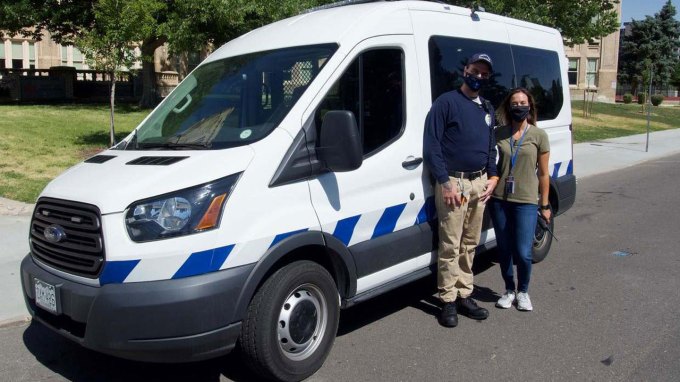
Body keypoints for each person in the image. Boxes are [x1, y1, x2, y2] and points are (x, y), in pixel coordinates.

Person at [423, 53, 499, 328]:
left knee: (470, 244)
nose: (478, 76)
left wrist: (493, 177)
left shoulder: (487, 108)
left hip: (479, 184)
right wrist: (445, 182)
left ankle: (465, 293)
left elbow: (491, 148)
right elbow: (432, 147)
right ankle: (447, 300)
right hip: (454, 184)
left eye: (484, 74)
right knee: (450, 245)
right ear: (464, 70)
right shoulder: (446, 103)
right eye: (474, 70)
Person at [489, 87, 551, 312]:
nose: (519, 107)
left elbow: (544, 174)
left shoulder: (538, 135)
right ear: (508, 107)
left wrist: (544, 205)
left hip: (526, 200)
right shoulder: (498, 133)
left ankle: (523, 291)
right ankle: (508, 290)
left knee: (523, 251)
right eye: (514, 103)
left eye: (523, 103)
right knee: (504, 249)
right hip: (499, 200)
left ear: (530, 106)